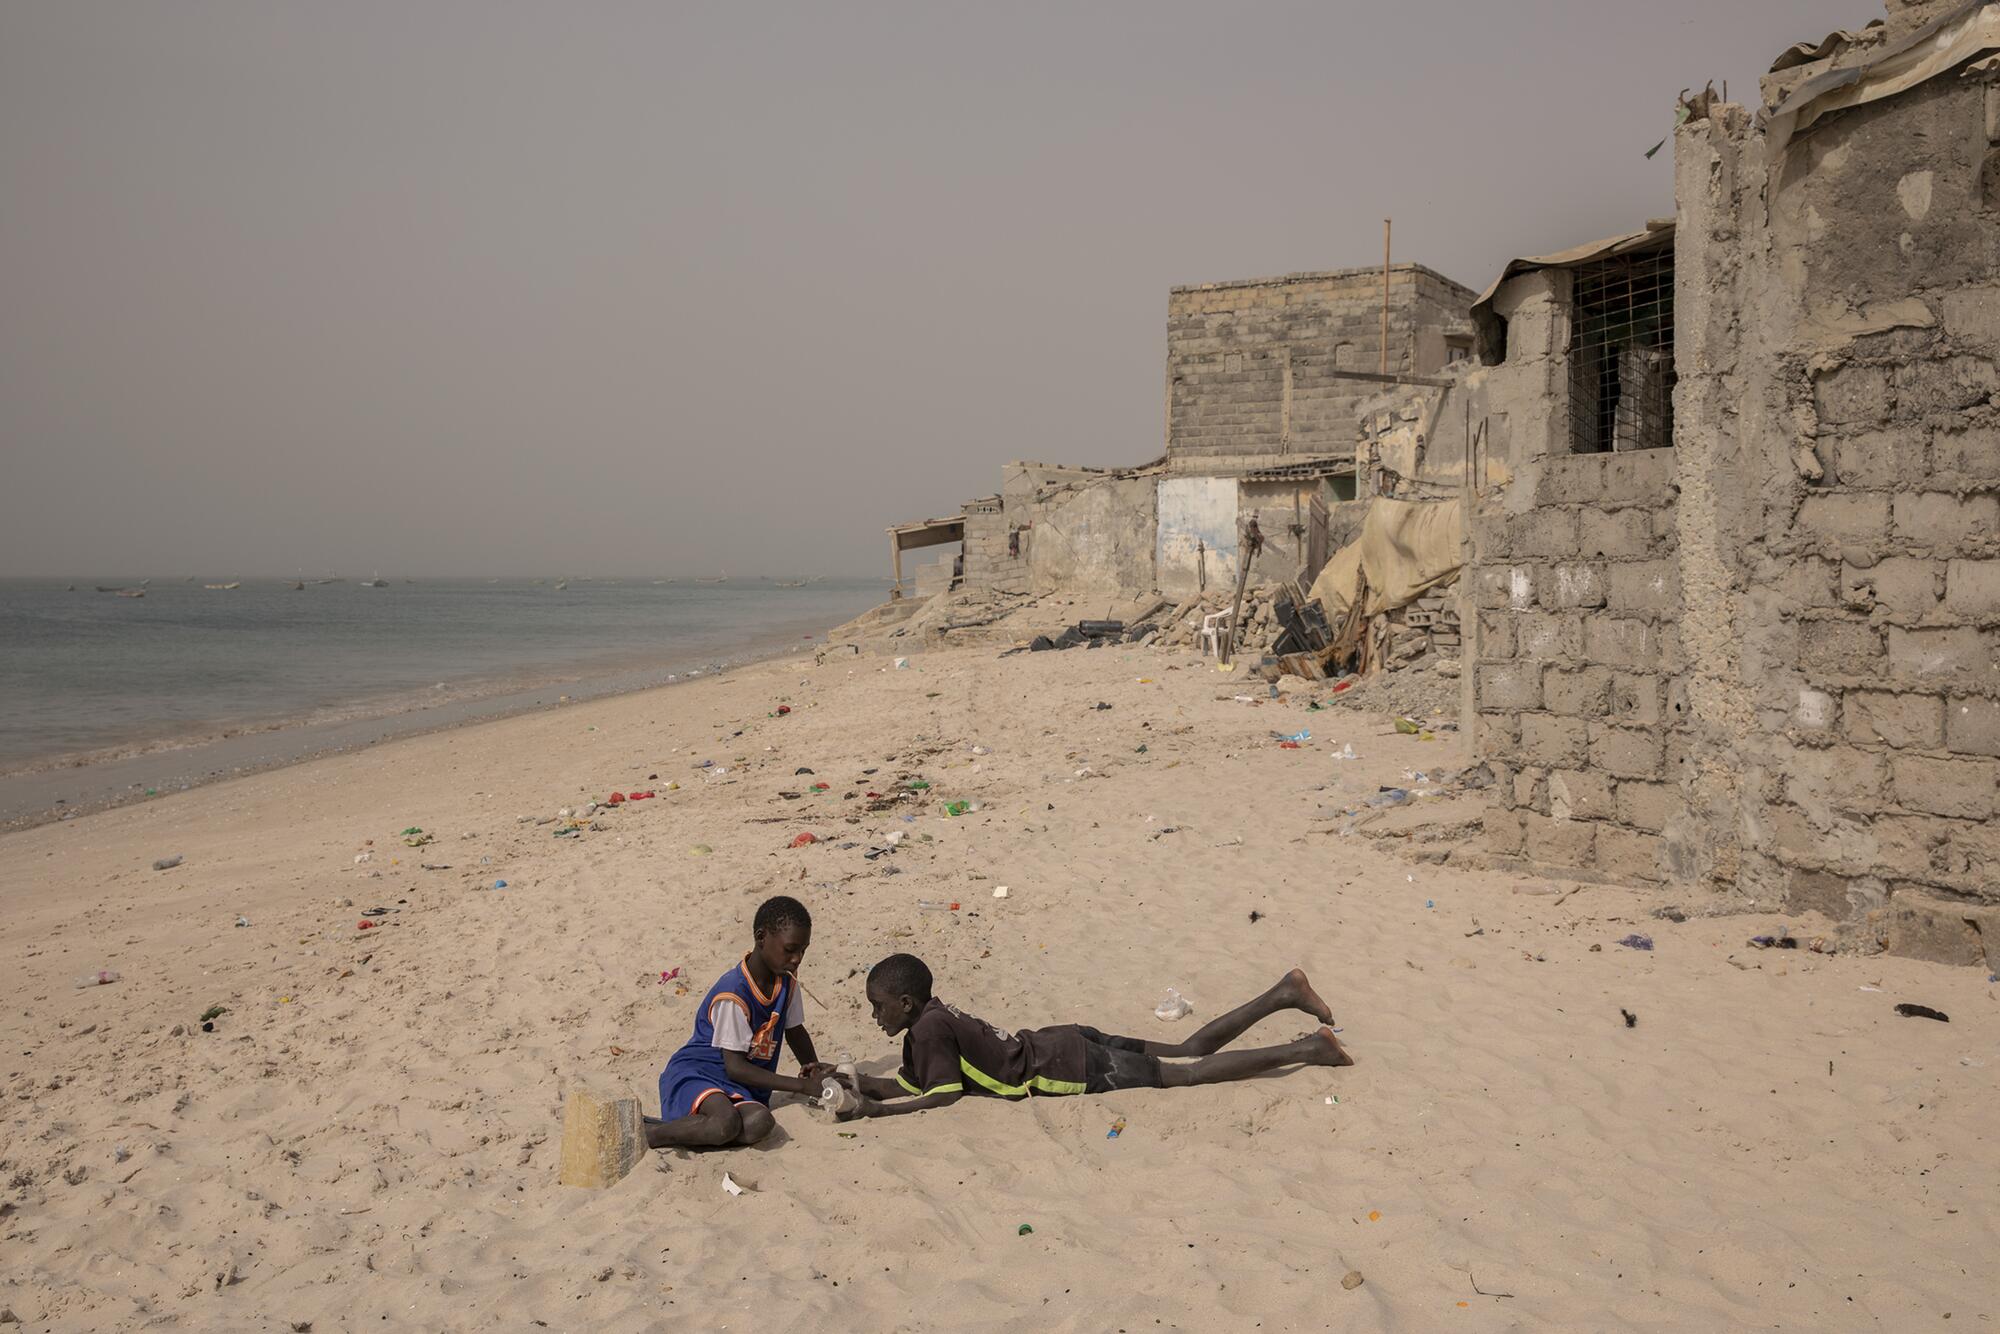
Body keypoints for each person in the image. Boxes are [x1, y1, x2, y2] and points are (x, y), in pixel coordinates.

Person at [837, 954, 1350, 1119]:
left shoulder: (927, 1030)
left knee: (1187, 1074)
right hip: (1062, 1039)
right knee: (1188, 1049)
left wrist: (878, 1113)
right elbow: (914, 1084)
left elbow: (943, 1095)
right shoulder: (929, 1022)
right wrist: (857, 1083)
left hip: (1068, 1067)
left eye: (878, 1006)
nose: (874, 1016)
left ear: (906, 1003)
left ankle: (1309, 1048)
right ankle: (1284, 992)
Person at [647, 895, 833, 1148]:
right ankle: (651, 1135)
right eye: (790, 950)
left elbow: (795, 1031)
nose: (797, 958)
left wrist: (814, 1070)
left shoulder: (787, 982)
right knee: (725, 1122)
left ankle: (696, 1129)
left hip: (739, 1086)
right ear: (761, 938)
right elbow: (735, 1067)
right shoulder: (734, 993)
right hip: (699, 1075)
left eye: (803, 950)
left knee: (760, 1122)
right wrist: (801, 1086)